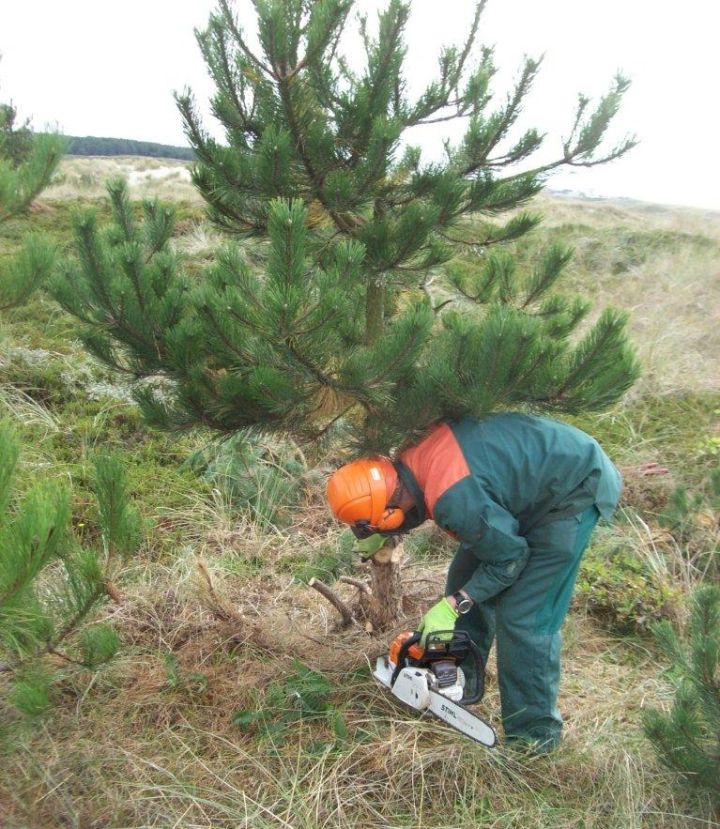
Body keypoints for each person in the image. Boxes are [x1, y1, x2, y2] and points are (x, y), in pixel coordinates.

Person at [326, 412, 622, 753]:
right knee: (463, 578)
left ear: (390, 510)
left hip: (570, 488)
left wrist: (455, 605)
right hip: (524, 487)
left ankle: (535, 740)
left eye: (383, 525)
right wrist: (460, 594)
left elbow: (510, 558)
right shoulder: (410, 458)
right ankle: (458, 682)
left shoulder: (452, 497)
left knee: (524, 617)